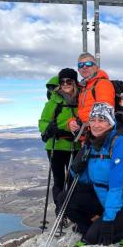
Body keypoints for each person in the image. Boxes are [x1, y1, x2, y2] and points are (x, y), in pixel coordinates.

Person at [66, 102, 123, 247]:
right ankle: (91, 230)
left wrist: (108, 222)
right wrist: (75, 169)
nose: (96, 125)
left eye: (102, 120)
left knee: (95, 236)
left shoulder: (120, 145)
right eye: (93, 120)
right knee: (65, 198)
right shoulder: (91, 144)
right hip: (104, 200)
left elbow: (116, 187)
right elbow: (86, 181)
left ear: (111, 123)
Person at [39, 68, 81, 215]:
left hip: (76, 145)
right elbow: (42, 122)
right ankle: (60, 210)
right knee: (59, 180)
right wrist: (49, 128)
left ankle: (71, 209)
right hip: (56, 145)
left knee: (74, 180)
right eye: (62, 81)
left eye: (69, 81)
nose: (65, 84)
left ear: (75, 82)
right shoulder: (53, 101)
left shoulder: (81, 99)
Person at [68, 52, 115, 133]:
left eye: (88, 64)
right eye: (81, 65)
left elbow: (104, 115)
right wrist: (72, 122)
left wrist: (89, 130)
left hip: (99, 135)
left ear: (96, 67)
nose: (84, 67)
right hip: (88, 135)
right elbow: (83, 113)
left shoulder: (102, 84)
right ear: (78, 70)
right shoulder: (84, 88)